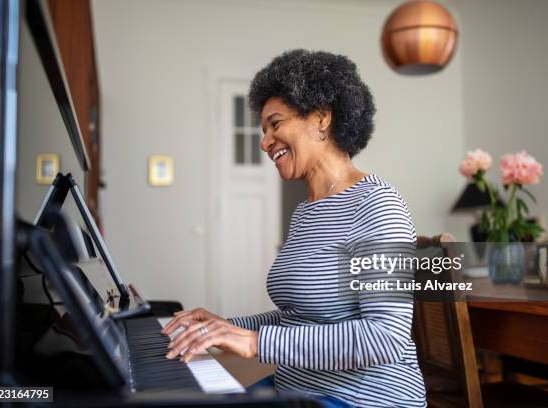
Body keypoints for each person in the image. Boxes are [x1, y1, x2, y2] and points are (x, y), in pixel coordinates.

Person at [162, 49, 426, 408]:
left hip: (359, 400)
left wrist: (254, 343)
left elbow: (385, 337)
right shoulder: (306, 212)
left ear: (321, 118)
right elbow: (299, 316)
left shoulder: (377, 204)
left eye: (275, 123)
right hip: (298, 389)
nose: (264, 141)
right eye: (263, 129)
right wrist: (225, 326)